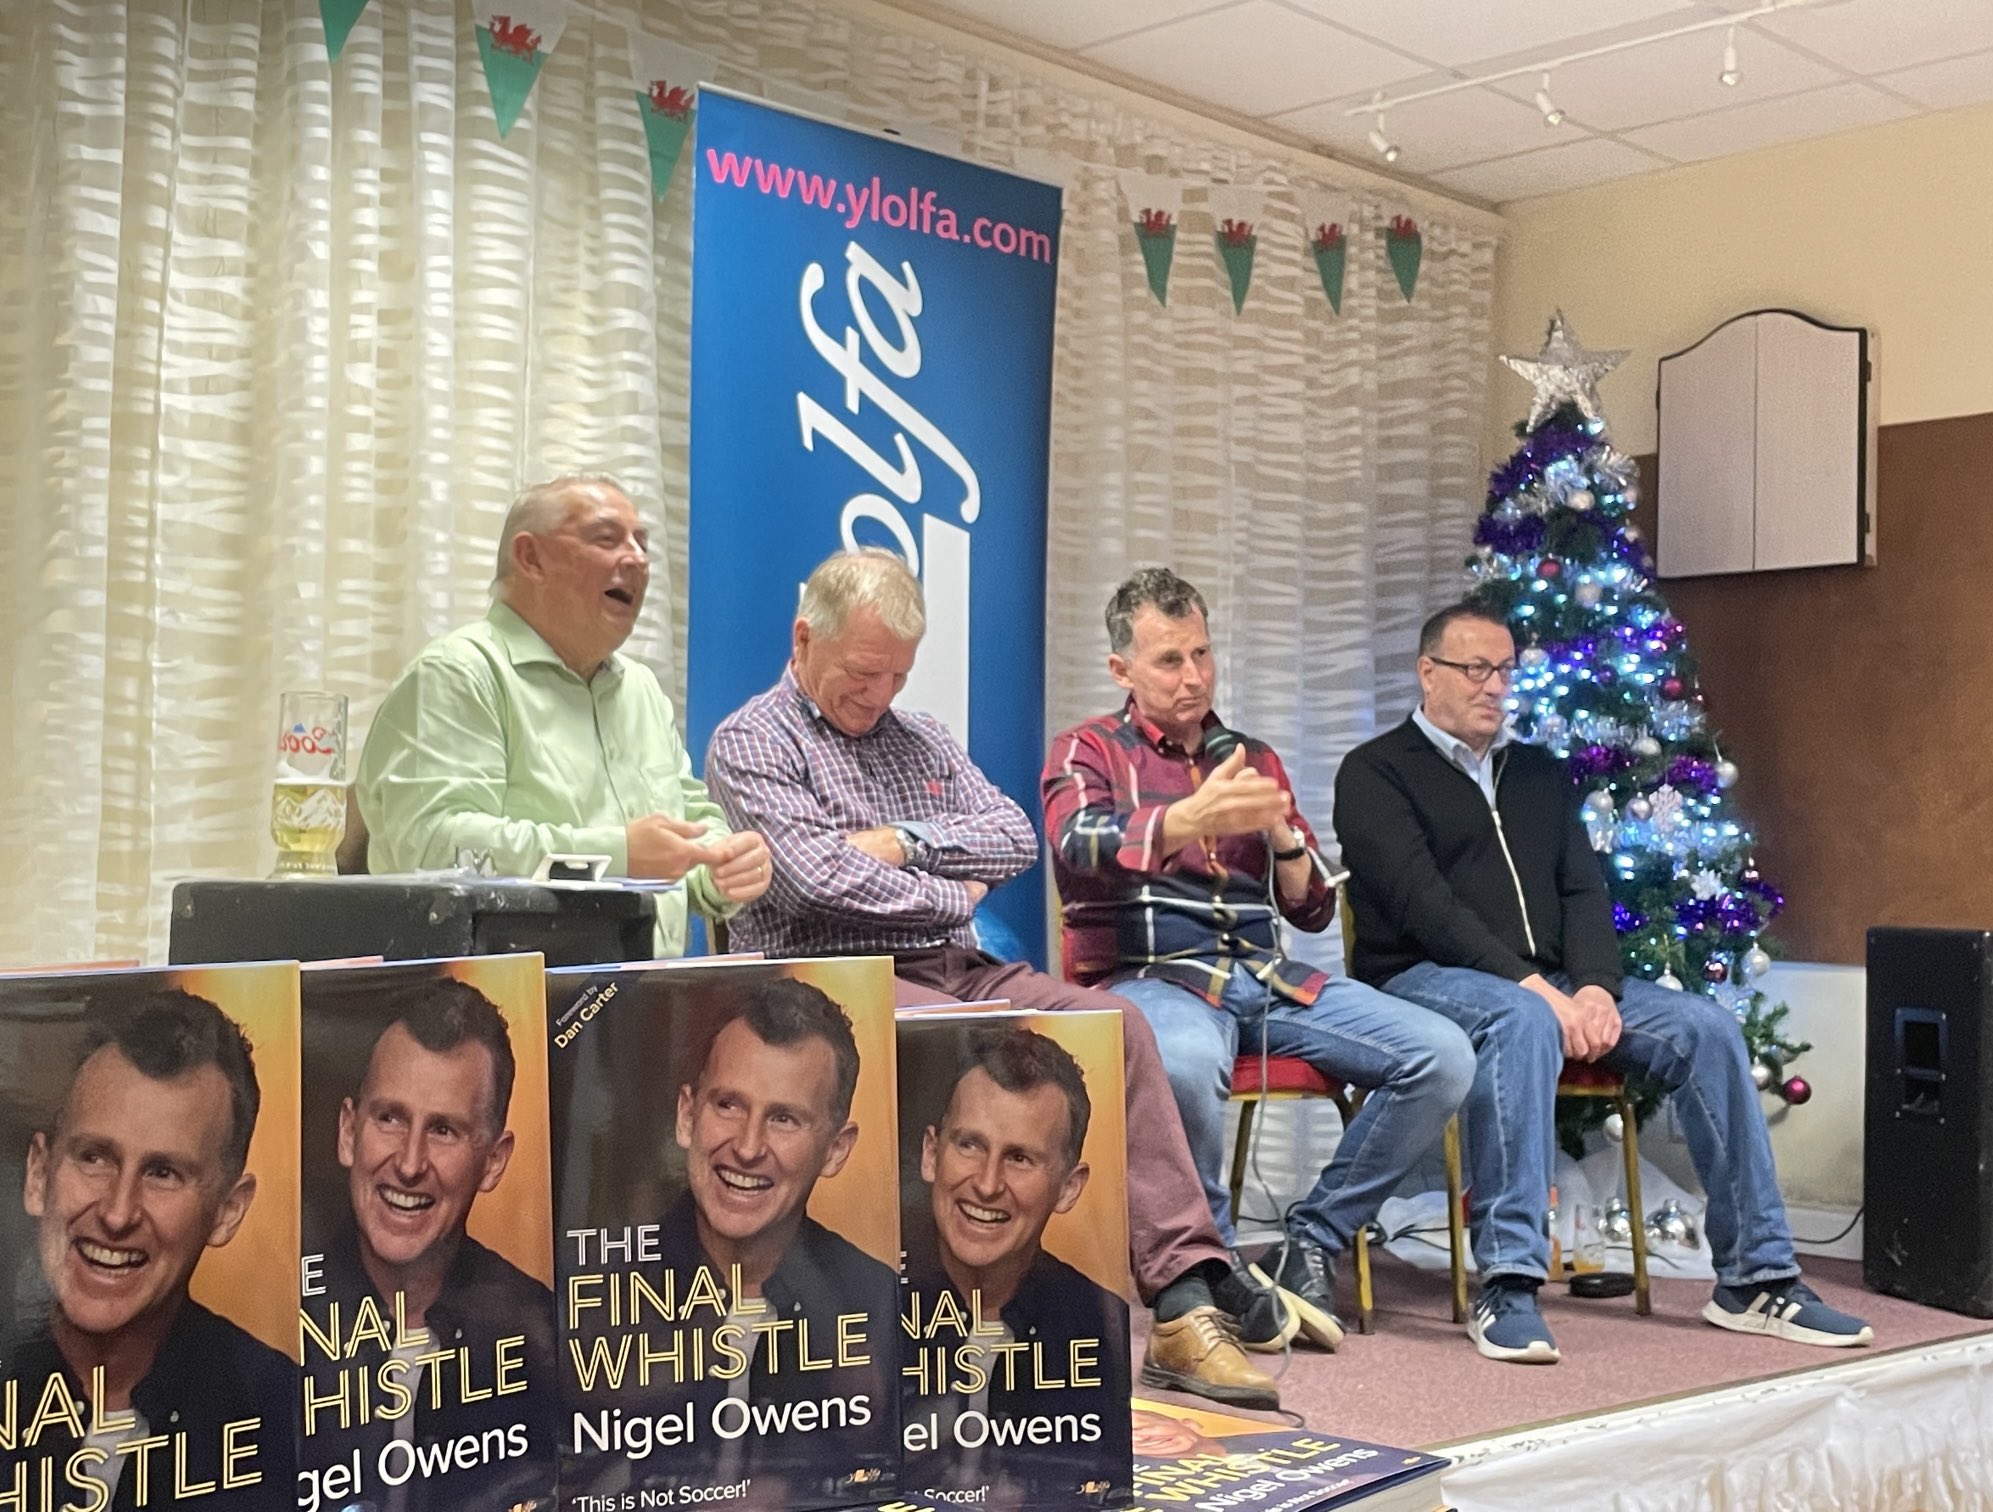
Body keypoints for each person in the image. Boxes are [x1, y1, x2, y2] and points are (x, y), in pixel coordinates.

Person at [706, 547, 1284, 1409]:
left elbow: (1013, 837)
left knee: (1118, 1026)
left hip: (957, 963)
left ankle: (1183, 1299)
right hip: (830, 979)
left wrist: (905, 845)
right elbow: (815, 880)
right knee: (970, 1044)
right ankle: (958, 1330)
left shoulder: (924, 736)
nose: (880, 697)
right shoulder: (752, 741)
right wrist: (947, 883)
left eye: (899, 675)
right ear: (803, 638)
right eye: (864, 674)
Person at [1333, 598, 1874, 1363]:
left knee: (1705, 1028)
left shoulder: (1539, 776)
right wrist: (1537, 991)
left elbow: (1585, 890)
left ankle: (1756, 1278)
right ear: (1429, 674)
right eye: (1476, 668)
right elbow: (1425, 908)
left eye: (1506, 669)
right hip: (1423, 978)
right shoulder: (1375, 773)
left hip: (1554, 979)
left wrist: (1590, 986)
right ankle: (1510, 1281)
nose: (1495, 685)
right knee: (1519, 1021)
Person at [1042, 567, 1474, 1350]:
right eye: (1170, 660)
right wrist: (1183, 819)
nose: (1194, 677)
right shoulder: (1087, 751)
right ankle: (1210, 1264)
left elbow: (1307, 909)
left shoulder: (1252, 756)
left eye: (1202, 655)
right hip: (1153, 978)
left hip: (1266, 981)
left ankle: (1311, 1238)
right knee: (1176, 1062)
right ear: (1123, 671)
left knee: (1442, 1056)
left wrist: (1283, 841)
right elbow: (1078, 844)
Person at [356, 474, 772, 955]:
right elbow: (433, 848)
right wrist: (617, 855)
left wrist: (722, 863)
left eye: (643, 544)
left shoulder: (639, 689)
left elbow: (691, 820)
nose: (637, 558)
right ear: (531, 558)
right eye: (607, 539)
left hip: (647, 998)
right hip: (496, 1007)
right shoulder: (457, 675)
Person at [1, 989, 295, 1508]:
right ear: (38, 1174)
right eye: (94, 1157)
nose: (117, 1214)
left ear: (228, 1211)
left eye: (163, 1173)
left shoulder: (287, 1411)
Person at [616, 979, 898, 1502]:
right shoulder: (593, 1290)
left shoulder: (882, 1301)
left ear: (836, 1149)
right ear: (687, 1115)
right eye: (728, 1105)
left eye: (783, 1118)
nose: (747, 1147)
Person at [303, 977, 556, 1511]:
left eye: (443, 1130)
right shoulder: (271, 1342)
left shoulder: (543, 1335)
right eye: (390, 1118)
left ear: (493, 1160)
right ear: (349, 1131)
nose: (410, 1163)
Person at [903, 1029, 1130, 1504]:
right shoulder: (862, 1301)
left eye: (1020, 1158)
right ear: (931, 1153)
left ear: (1069, 1186)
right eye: (969, 1145)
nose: (987, 1185)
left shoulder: (1094, 1318)